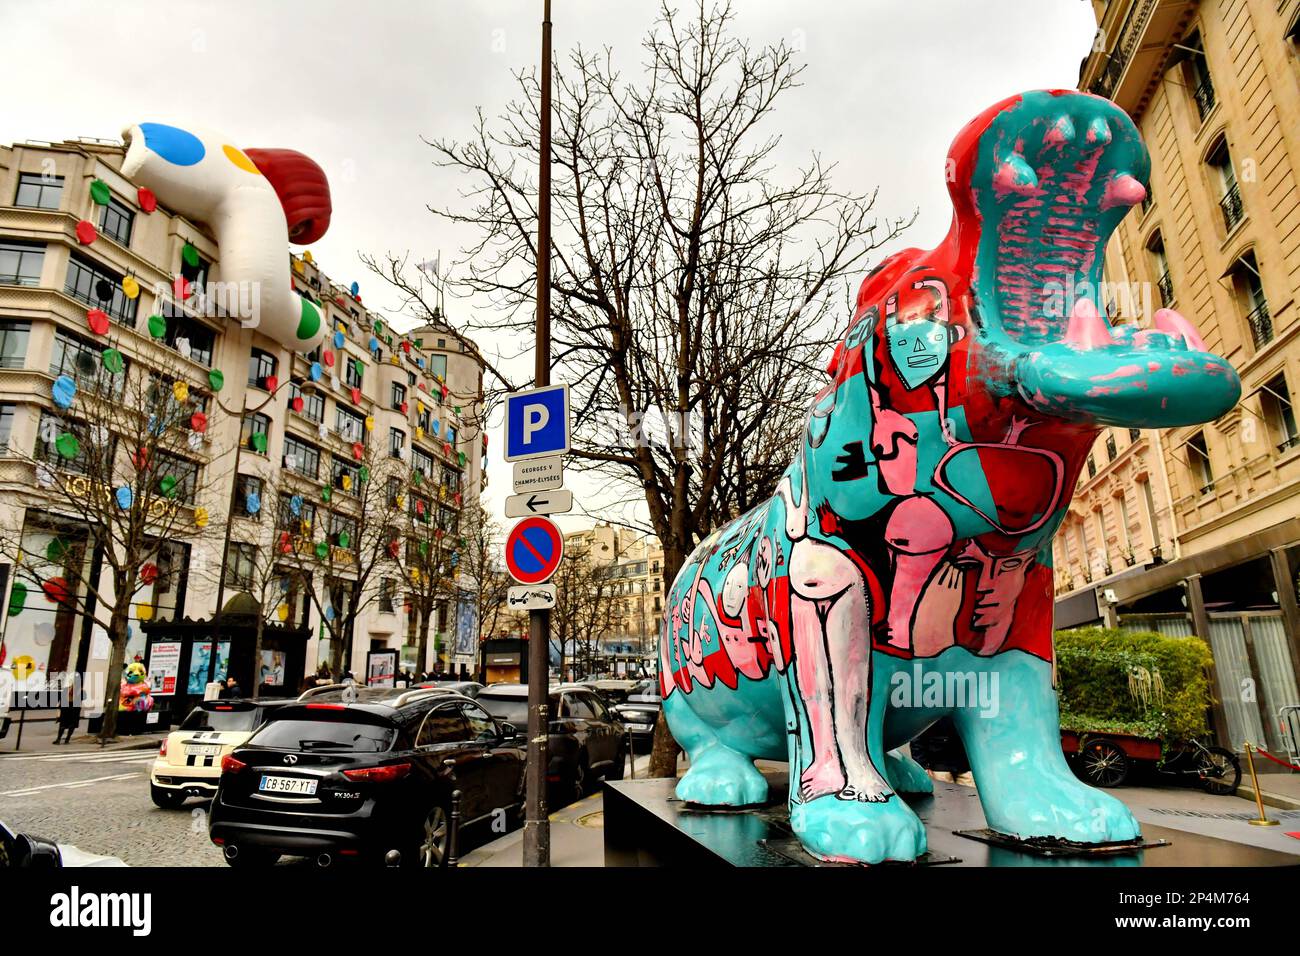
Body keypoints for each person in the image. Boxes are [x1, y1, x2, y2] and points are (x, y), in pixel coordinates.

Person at [54, 679, 81, 744]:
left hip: (66, 708)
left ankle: (58, 739)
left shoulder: (66, 690)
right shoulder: (79, 691)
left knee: (63, 724)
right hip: (74, 709)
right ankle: (67, 740)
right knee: (72, 725)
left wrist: (59, 710)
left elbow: (61, 700)